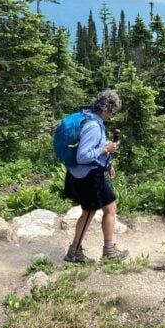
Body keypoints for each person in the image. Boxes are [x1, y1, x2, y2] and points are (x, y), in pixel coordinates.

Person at [64, 90, 129, 263]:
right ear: (106, 109)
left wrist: (108, 163)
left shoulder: (90, 119)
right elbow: (83, 156)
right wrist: (105, 149)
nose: (112, 116)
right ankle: (80, 252)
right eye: (112, 112)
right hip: (89, 177)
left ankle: (86, 250)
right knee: (95, 211)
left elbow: (92, 148)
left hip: (85, 174)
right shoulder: (93, 126)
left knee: (102, 209)